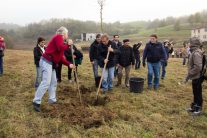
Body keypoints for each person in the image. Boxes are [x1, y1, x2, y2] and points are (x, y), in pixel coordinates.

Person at [32, 26, 75, 112]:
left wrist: (69, 64)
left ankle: (52, 100)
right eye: (67, 34)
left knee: (53, 82)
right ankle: (36, 101)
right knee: (46, 82)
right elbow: (60, 48)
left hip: (52, 64)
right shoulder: (58, 37)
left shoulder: (62, 42)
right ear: (63, 34)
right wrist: (68, 45)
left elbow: (61, 58)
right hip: (46, 61)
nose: (67, 35)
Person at [185, 37, 205, 115]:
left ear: (193, 44)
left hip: (198, 76)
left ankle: (198, 109)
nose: (188, 44)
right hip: (196, 76)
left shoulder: (196, 53)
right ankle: (194, 107)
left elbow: (198, 67)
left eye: (190, 43)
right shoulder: (194, 52)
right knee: (195, 92)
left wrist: (190, 73)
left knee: (197, 92)